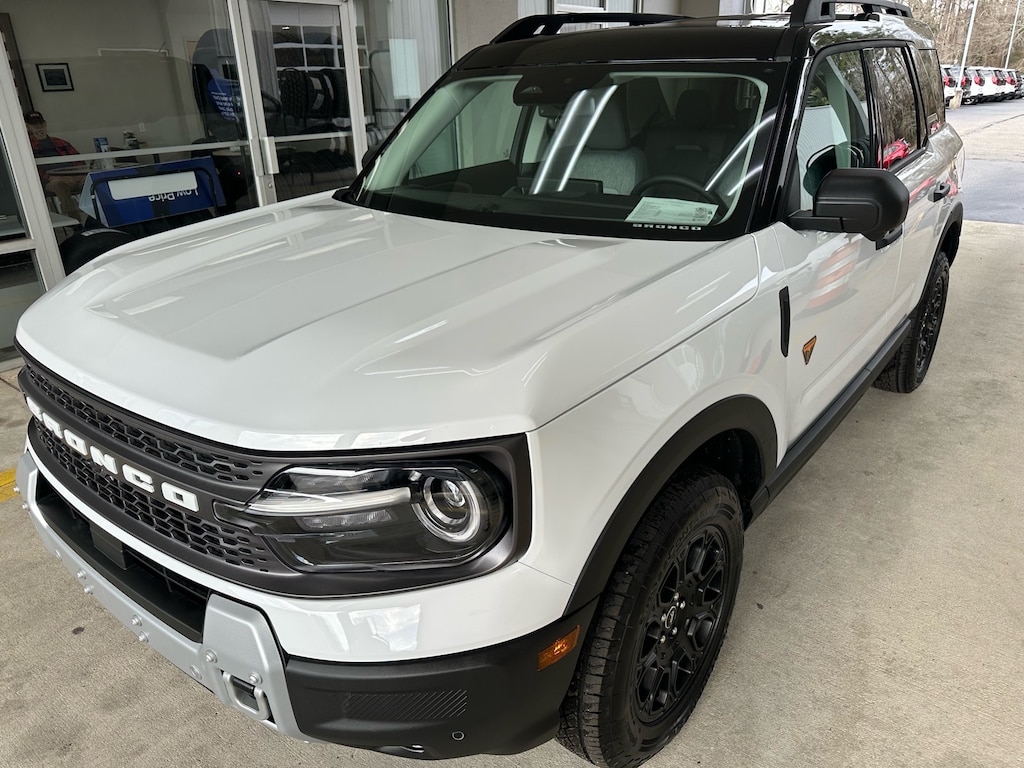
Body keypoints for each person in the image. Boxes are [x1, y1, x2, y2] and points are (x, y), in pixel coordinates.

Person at [25, 110, 87, 223]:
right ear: (28, 127)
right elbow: (32, 169)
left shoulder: (60, 142)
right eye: (35, 125)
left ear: (45, 125)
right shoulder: (28, 146)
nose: (39, 127)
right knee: (60, 185)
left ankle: (97, 218)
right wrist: (48, 177)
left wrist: (79, 172)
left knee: (93, 181)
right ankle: (75, 223)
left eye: (41, 124)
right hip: (53, 180)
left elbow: (78, 160)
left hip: (74, 175)